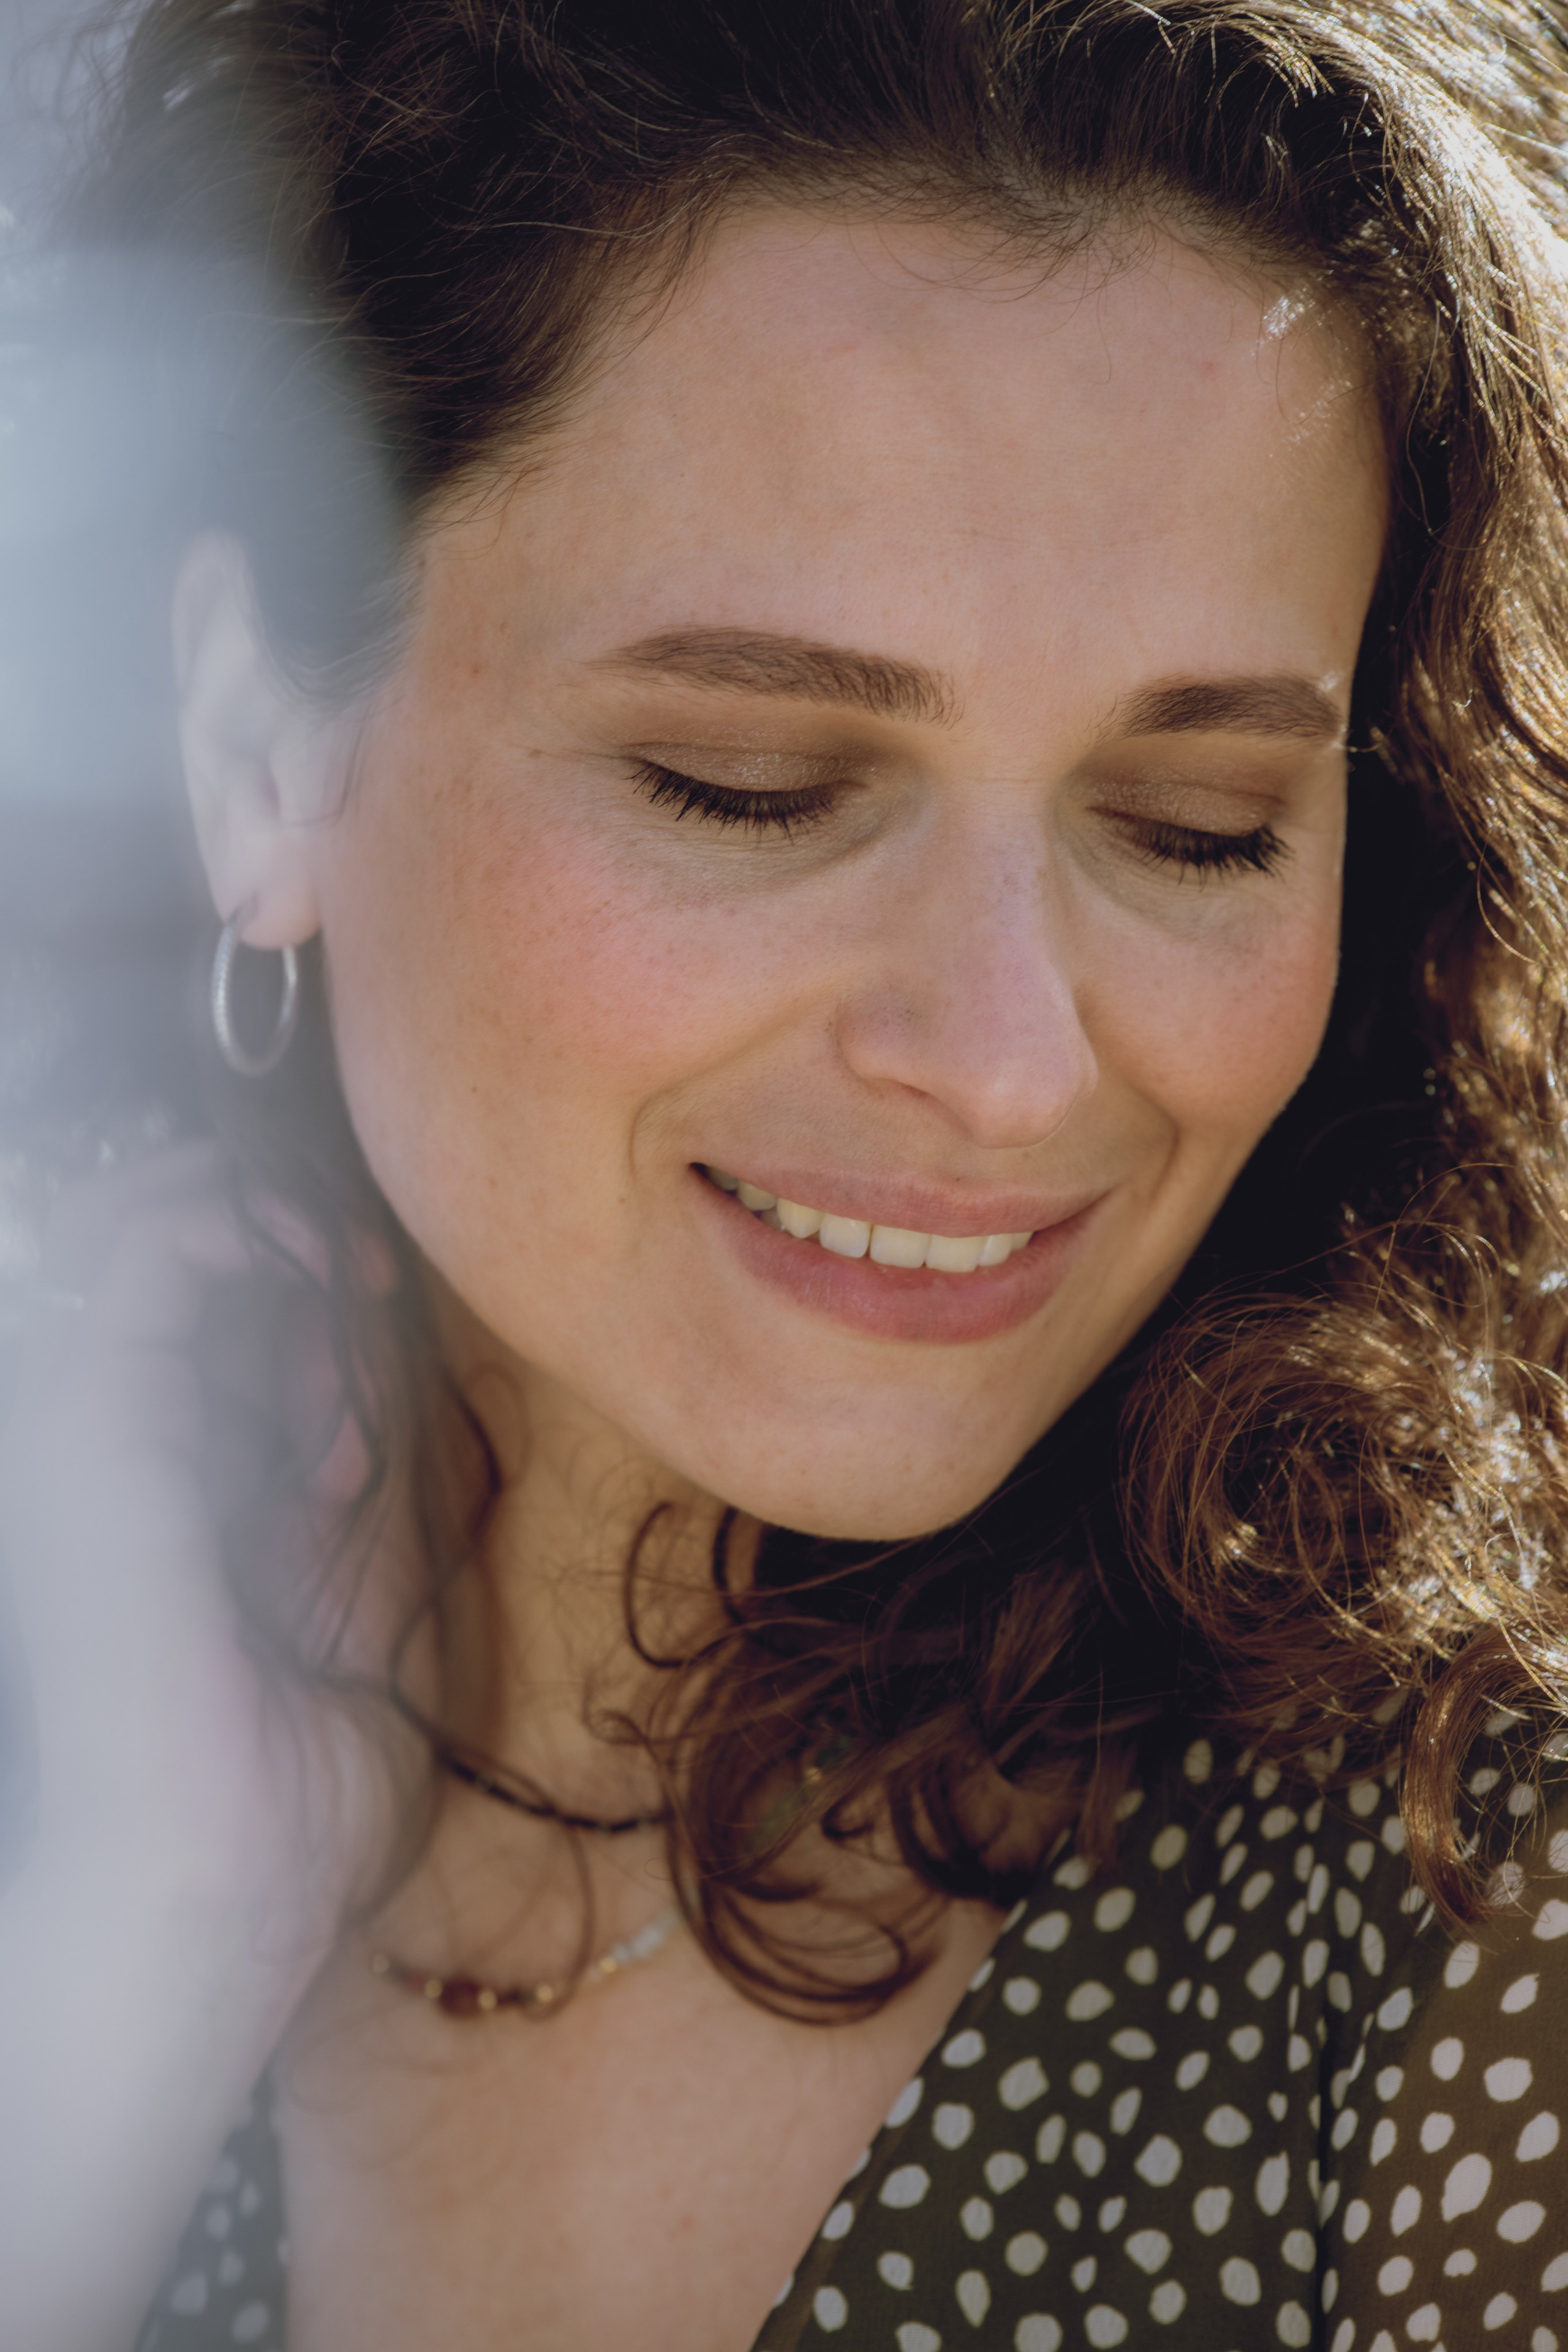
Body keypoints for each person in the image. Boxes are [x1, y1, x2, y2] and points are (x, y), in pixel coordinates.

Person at [6, 0, 1568, 2346]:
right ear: (248, 740)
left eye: (1196, 826)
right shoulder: (78, 1750)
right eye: (748, 783)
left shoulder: (1476, 1924)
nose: (1018, 1068)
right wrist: (142, 1942)